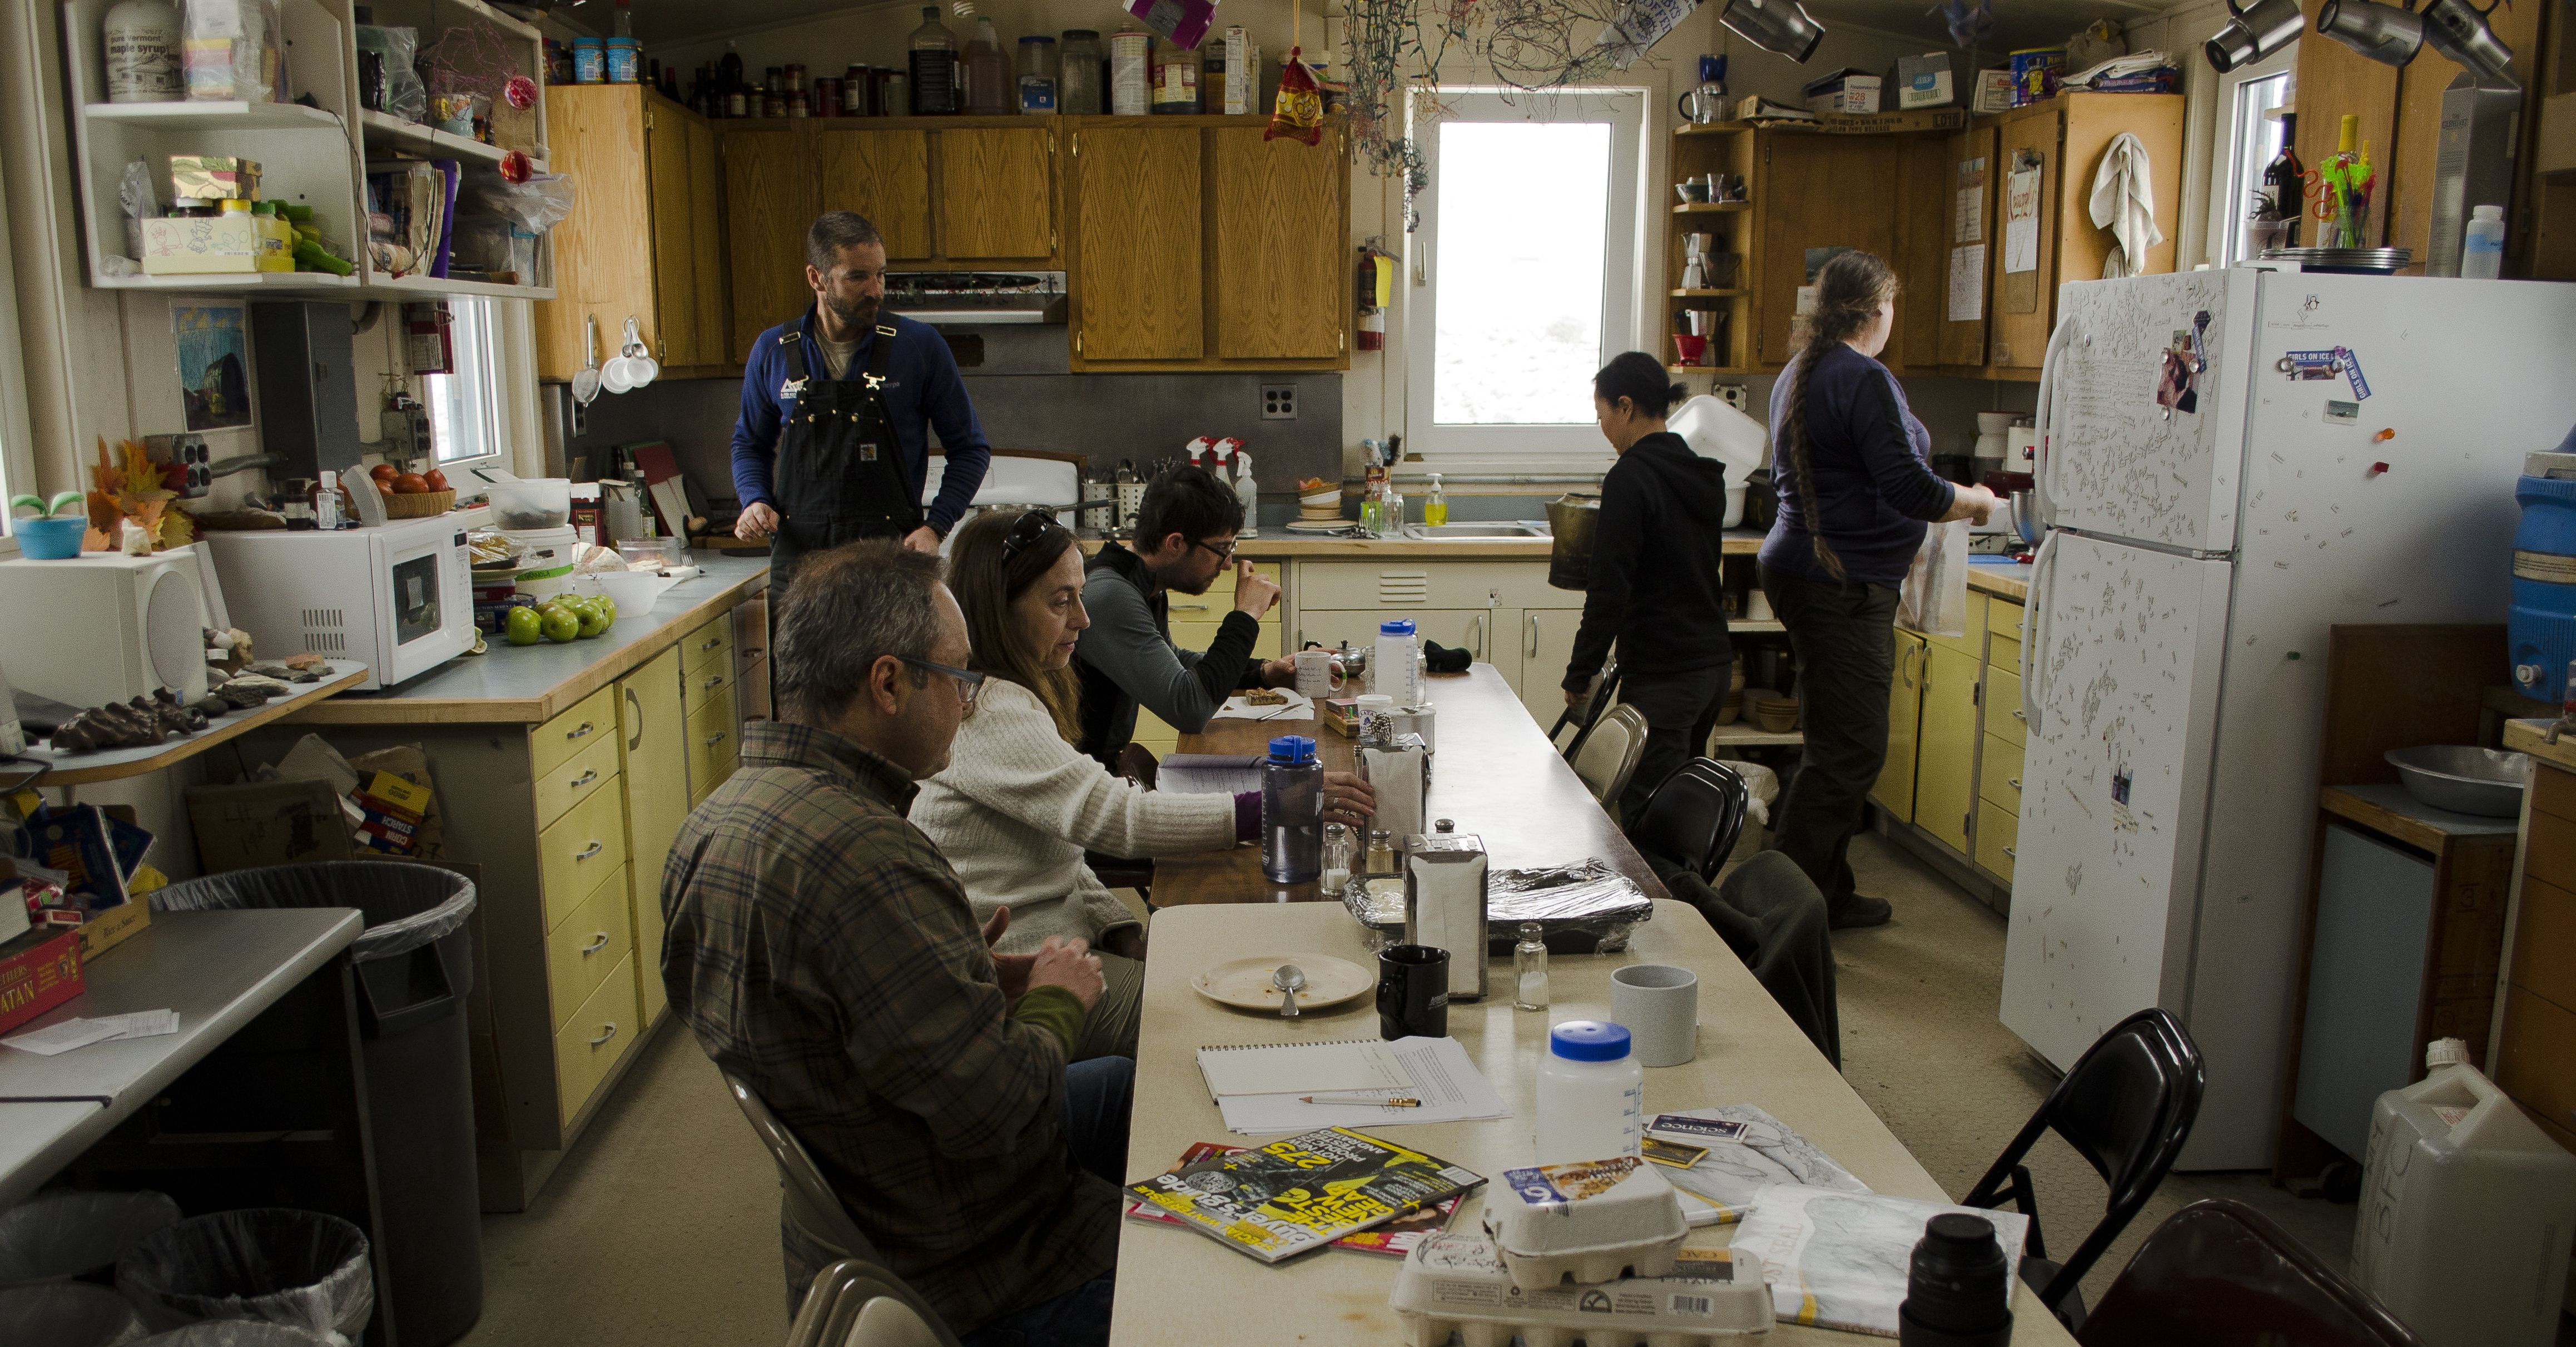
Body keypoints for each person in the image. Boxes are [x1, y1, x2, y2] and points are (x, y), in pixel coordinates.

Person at [661, 541, 1126, 1346]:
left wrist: (957, 972)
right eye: (957, 676)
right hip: (969, 1249)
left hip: (853, 1198)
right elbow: (1007, 1114)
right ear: (887, 682)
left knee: (1120, 1085)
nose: (969, 699)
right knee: (1215, 1251)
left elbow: (820, 1011)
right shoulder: (872, 857)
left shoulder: (715, 823)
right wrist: (1058, 996)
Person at [916, 510, 1377, 1058]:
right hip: (1025, 973)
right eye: (1060, 601)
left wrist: (1120, 928)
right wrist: (1276, 803)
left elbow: (1060, 852)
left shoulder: (1011, 696)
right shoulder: (995, 711)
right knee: (1236, 1020)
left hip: (1059, 949)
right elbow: (1121, 820)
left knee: (1243, 980)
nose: (1083, 620)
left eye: (1080, 596)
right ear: (1001, 609)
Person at [1760, 250, 1999, 930]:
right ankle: (1788, 910)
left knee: (1833, 744)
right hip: (1839, 581)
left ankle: (1821, 892)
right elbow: (1910, 488)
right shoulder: (1861, 376)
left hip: (1810, 570)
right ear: (1878, 310)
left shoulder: (1801, 372)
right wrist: (1975, 498)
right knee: (1851, 752)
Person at [729, 211, 992, 590]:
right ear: (816, 278)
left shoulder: (919, 347)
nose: (876, 290)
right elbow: (749, 444)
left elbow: (970, 448)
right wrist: (754, 499)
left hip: (892, 563)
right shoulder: (773, 350)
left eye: (880, 274)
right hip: (801, 573)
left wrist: (936, 527)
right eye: (857, 277)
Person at [1561, 352, 1736, 829]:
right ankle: (1684, 898)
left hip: (1665, 673)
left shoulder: (1630, 477)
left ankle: (1661, 904)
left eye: (1602, 417)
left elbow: (1609, 589)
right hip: (1711, 667)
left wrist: (1580, 674)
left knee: (1649, 815)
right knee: (1683, 809)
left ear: (1625, 406)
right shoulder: (1699, 473)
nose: (1604, 430)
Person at [1074, 465, 1296, 766]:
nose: (1228, 564)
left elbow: (1174, 661)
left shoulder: (1144, 584)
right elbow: (1190, 709)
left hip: (1095, 769)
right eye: (1221, 549)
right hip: (1077, 781)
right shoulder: (1111, 596)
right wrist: (1245, 615)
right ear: (1175, 543)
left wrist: (1263, 672)